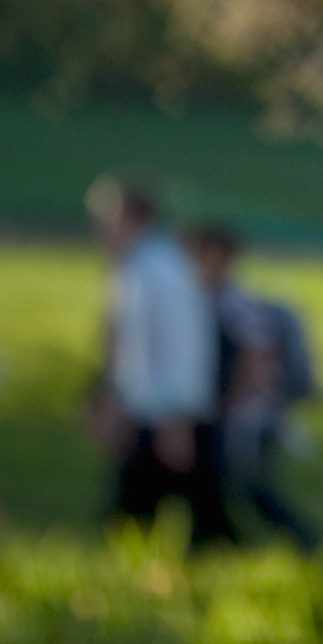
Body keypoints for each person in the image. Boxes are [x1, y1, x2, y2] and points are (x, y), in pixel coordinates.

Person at [85, 176, 231, 551]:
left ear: (134, 219)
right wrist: (113, 399)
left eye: (106, 220)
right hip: (150, 412)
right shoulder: (138, 268)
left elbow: (182, 347)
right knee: (159, 510)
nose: (99, 230)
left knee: (183, 511)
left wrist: (175, 416)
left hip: (166, 415)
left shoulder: (161, 272)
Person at [185, 225, 318, 551]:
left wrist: (227, 402)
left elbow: (257, 359)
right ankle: (218, 544)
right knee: (219, 485)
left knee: (251, 487)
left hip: (248, 418)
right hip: (235, 415)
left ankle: (304, 543)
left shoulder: (235, 305)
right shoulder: (207, 301)